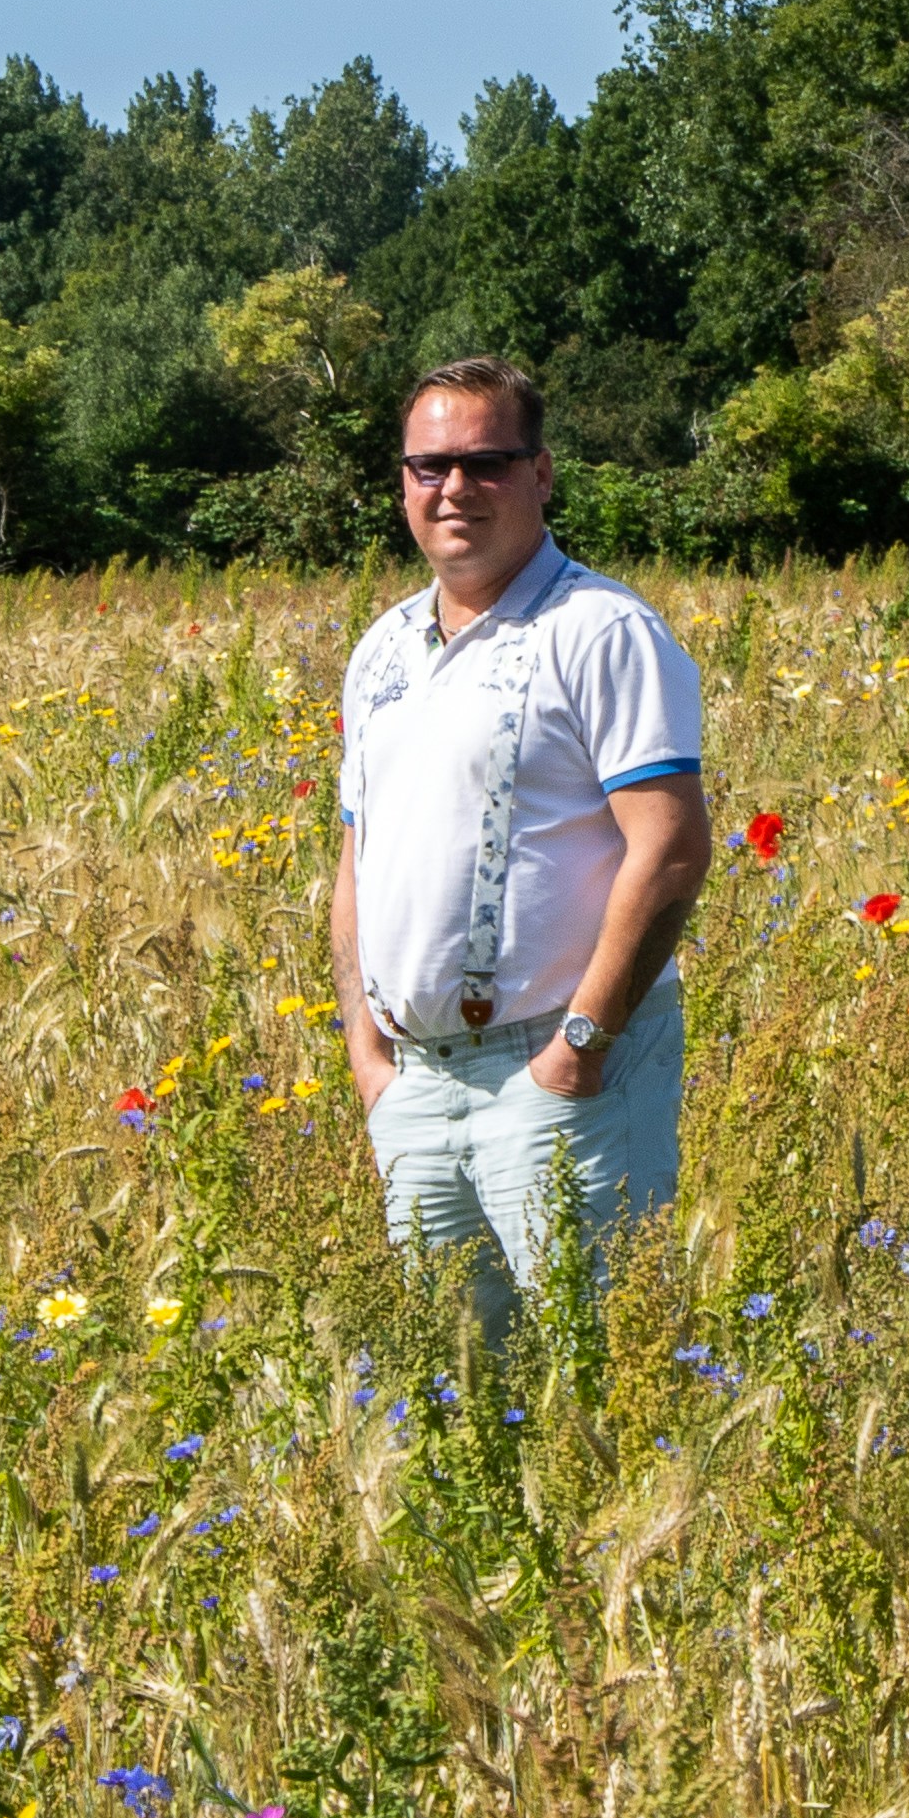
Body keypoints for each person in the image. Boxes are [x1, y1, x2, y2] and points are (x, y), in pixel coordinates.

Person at [328, 356, 714, 1339]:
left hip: (556, 1072)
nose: (454, 488)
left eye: (486, 462)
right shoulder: (381, 651)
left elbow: (668, 847)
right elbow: (357, 859)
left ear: (540, 475)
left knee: (604, 1378)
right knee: (461, 1395)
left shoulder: (600, 630)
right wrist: (368, 1055)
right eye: (429, 466)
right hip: (416, 1088)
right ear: (403, 482)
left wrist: (581, 1046)